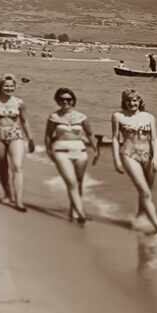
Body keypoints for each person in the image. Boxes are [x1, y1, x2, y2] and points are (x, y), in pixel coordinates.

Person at [111, 89, 157, 234]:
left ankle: (139, 218)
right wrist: (116, 161)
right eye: (129, 101)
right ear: (124, 102)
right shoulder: (118, 116)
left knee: (146, 191)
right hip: (128, 154)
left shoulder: (149, 117)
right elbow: (115, 138)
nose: (132, 103)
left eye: (135, 100)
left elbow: (154, 139)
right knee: (145, 192)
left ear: (140, 101)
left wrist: (156, 158)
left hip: (148, 156)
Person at [0, 74, 34, 211]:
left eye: (12, 86)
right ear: (0, 86)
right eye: (6, 86)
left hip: (15, 134)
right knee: (3, 166)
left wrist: (30, 139)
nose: (9, 88)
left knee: (17, 166)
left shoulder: (19, 102)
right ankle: (7, 194)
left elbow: (24, 121)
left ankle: (19, 201)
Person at [45, 88, 95, 225]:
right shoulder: (54, 117)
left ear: (73, 100)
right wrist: (49, 152)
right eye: (62, 99)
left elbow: (90, 134)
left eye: (69, 99)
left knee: (78, 183)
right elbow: (48, 136)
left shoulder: (81, 117)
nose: (65, 101)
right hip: (60, 151)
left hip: (80, 151)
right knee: (71, 182)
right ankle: (81, 214)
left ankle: (74, 211)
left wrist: (96, 151)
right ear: (57, 100)